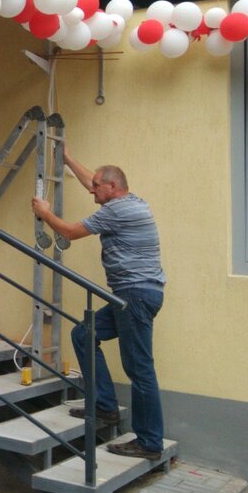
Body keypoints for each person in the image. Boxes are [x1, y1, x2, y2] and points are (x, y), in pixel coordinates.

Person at [31, 150, 166, 461]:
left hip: (134, 295)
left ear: (112, 187)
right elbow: (93, 180)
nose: (91, 190)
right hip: (135, 294)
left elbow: (69, 232)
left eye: (96, 187)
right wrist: (67, 158)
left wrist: (44, 212)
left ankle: (149, 442)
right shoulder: (131, 201)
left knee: (139, 368)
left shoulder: (116, 211)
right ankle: (105, 407)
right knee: (84, 334)